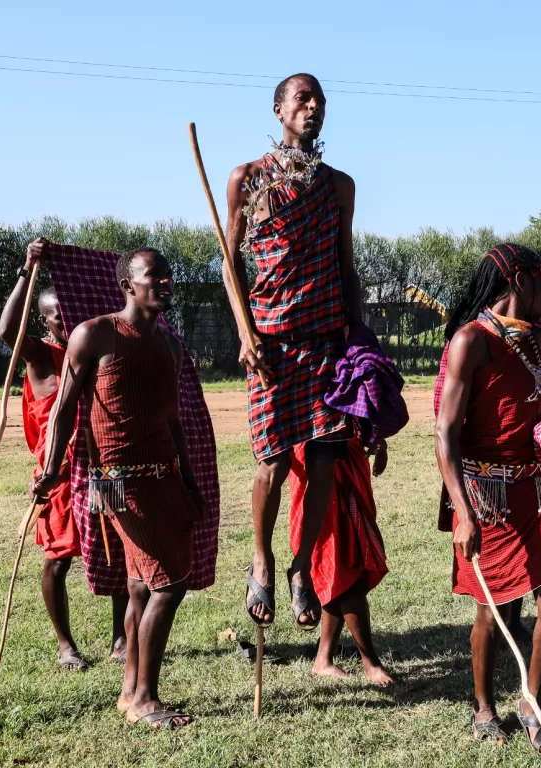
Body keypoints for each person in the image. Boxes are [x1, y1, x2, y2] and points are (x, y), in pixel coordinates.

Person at [34, 249, 206, 728]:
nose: (166, 281)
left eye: (170, 274)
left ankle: (130, 690)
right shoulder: (95, 334)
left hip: (162, 476)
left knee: (138, 586)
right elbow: (66, 407)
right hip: (112, 480)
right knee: (169, 586)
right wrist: (50, 469)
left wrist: (189, 481)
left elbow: (172, 421)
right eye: (155, 275)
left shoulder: (170, 347)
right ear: (129, 285)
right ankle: (145, 700)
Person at [224, 73, 363, 632]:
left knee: (326, 459)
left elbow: (346, 267)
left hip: (326, 340)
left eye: (320, 100)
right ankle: (263, 561)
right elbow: (231, 263)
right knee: (274, 462)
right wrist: (244, 332)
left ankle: (302, 568)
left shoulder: (338, 186)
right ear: (279, 109)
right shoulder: (249, 179)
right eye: (302, 99)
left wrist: (358, 338)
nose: (313, 107)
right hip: (271, 345)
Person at [434, 243, 541, 754]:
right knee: (494, 610)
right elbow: (445, 432)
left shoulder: (537, 340)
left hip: (538, 487)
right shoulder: (472, 340)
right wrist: (462, 512)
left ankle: (531, 701)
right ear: (518, 280)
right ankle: (484, 705)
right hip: (487, 495)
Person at [0, 237, 127, 670]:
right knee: (57, 561)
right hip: (58, 476)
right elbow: (5, 332)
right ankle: (65, 645)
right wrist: (26, 270)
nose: (68, 323)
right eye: (58, 318)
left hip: (104, 469)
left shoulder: (96, 354)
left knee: (120, 551)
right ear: (46, 322)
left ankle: (121, 638)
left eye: (71, 315)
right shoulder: (42, 358)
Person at [291, 438, 396, 687]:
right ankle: (370, 662)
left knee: (340, 566)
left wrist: (376, 437)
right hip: (317, 458)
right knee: (345, 561)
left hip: (349, 451)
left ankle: (323, 658)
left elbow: (363, 400)